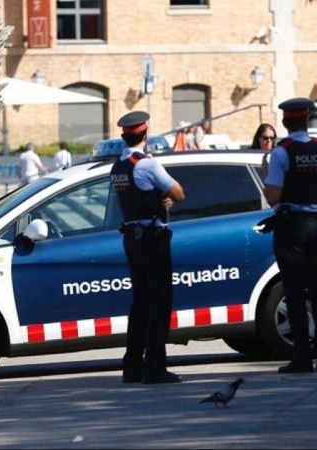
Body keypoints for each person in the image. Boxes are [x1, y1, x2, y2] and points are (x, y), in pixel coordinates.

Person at [261, 98, 317, 374]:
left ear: (285, 122)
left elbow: (273, 197)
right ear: (307, 120)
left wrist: (266, 174)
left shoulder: (281, 153)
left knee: (294, 290)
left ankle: (302, 358)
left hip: (293, 227)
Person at [110, 111, 186, 385]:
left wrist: (157, 198)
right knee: (160, 302)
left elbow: (137, 196)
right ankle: (155, 366)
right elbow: (178, 193)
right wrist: (164, 198)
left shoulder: (118, 166)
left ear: (124, 136)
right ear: (145, 135)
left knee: (141, 303)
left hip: (131, 237)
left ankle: (132, 365)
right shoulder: (146, 165)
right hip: (152, 239)